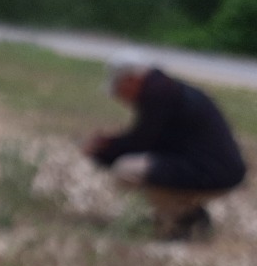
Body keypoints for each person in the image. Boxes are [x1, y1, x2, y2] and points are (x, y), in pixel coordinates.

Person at [83, 51, 246, 240]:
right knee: (144, 166)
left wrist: (102, 150)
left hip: (213, 172)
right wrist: (110, 145)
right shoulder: (167, 90)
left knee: (127, 170)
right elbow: (151, 140)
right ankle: (182, 214)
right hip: (219, 169)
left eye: (119, 87)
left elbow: (142, 143)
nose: (120, 96)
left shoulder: (158, 96)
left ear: (131, 79)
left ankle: (182, 220)